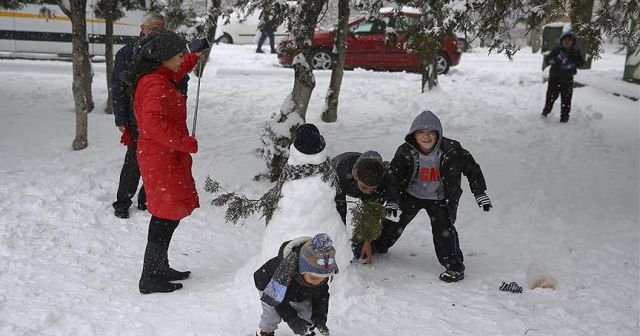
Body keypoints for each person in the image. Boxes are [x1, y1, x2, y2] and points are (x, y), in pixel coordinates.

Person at [371, 110, 492, 283]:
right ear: (413, 135)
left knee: (444, 231)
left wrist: (480, 192)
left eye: (430, 133)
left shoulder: (452, 150)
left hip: (440, 199)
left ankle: (454, 267)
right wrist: (393, 200)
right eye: (421, 132)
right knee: (394, 222)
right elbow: (393, 176)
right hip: (411, 195)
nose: (426, 137)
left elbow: (472, 168)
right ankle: (379, 246)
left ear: (438, 134)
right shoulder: (406, 151)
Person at [130, 29, 202, 294]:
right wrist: (185, 142)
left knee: (167, 215)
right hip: (160, 159)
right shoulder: (154, 84)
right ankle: (150, 276)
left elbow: (179, 69)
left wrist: (194, 55)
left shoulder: (161, 75)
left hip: (166, 157)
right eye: (179, 53)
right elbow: (152, 125)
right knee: (164, 216)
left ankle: (160, 267)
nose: (182, 56)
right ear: (163, 57)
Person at [111, 13, 166, 219]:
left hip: (162, 117)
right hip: (136, 117)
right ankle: (122, 202)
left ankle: (146, 198)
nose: (157, 32)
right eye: (153, 28)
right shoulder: (127, 53)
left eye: (161, 28)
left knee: (158, 160)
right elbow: (117, 88)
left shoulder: (169, 52)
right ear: (142, 28)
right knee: (134, 162)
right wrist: (121, 119)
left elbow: (181, 80)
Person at [254, 233, 337, 336]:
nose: (318, 281)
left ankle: (307, 329)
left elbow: (321, 298)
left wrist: (320, 319)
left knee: (307, 310)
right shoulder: (285, 274)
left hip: (299, 289)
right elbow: (279, 302)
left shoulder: (319, 278)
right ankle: (266, 332)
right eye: (313, 277)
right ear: (302, 270)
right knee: (272, 315)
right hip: (269, 285)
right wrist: (293, 320)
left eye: (323, 278)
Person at [331, 151, 400, 263]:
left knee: (381, 219)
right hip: (341, 173)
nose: (368, 192)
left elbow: (373, 213)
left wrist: (367, 240)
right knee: (337, 216)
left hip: (368, 180)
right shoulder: (340, 175)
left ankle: (363, 245)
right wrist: (341, 242)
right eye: (364, 187)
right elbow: (339, 210)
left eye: (371, 189)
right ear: (356, 176)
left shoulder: (386, 179)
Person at [541, 30, 585, 123]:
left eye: (569, 40)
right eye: (565, 40)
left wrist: (573, 64)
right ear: (561, 41)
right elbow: (548, 60)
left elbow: (582, 63)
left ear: (572, 41)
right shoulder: (557, 50)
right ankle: (546, 112)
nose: (567, 42)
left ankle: (564, 117)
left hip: (567, 80)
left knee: (566, 99)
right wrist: (556, 59)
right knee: (550, 97)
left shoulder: (575, 52)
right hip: (554, 79)